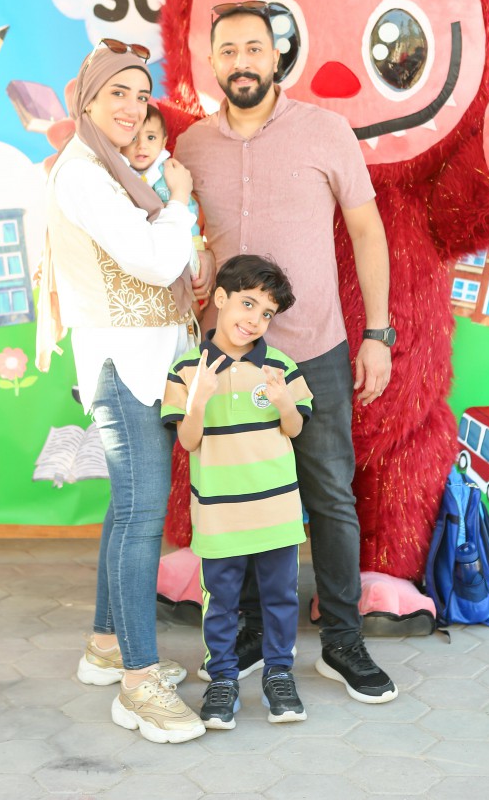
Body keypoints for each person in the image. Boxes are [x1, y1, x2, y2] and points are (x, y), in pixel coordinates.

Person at [175, 2, 398, 704]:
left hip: (315, 351)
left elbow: (367, 232)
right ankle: (245, 632)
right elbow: (177, 237)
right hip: (225, 362)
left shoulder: (326, 131)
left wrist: (379, 334)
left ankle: (342, 641)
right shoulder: (190, 147)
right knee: (235, 496)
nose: (241, 61)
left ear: (276, 57)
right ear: (212, 62)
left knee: (330, 497)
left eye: (254, 48)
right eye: (228, 50)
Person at [35, 37, 205, 744]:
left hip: (149, 359)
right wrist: (182, 204)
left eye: (141, 95)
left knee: (129, 506)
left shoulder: (113, 171)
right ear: (87, 100)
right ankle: (137, 685)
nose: (134, 108)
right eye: (118, 94)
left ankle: (107, 647)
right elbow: (157, 260)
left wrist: (174, 229)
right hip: (122, 365)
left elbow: (169, 261)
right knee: (140, 516)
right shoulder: (84, 176)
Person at [162, 254, 313, 730]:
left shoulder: (281, 366)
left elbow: (295, 428)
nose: (255, 320)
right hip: (219, 515)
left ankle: (279, 676)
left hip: (276, 512)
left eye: (267, 313)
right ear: (221, 298)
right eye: (247, 304)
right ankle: (223, 680)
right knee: (221, 602)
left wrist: (285, 401)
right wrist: (199, 400)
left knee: (280, 598)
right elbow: (188, 442)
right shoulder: (187, 369)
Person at [121, 105, 204, 274]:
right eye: (133, 138)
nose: (142, 146)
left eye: (151, 137)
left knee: (194, 278)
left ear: (163, 142)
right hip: (150, 249)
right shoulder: (122, 174)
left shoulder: (168, 171)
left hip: (187, 238)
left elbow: (189, 207)